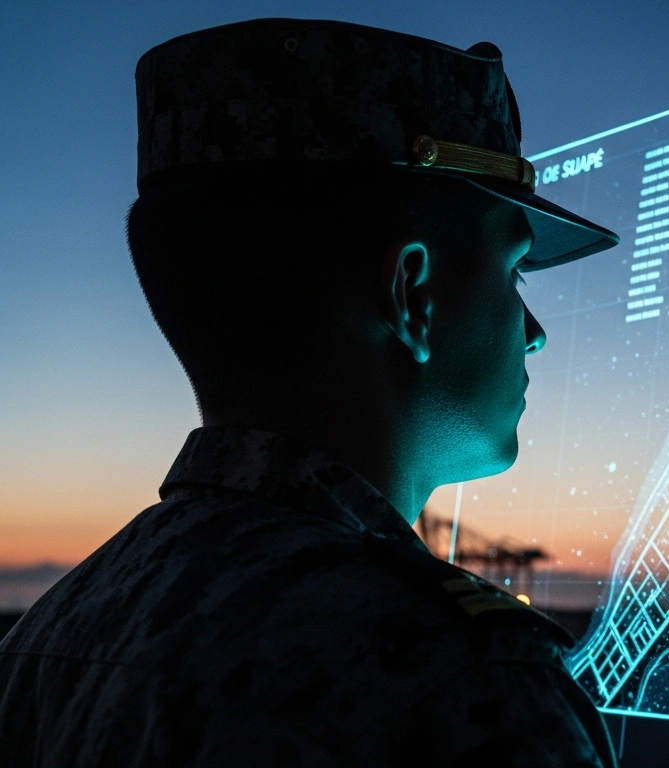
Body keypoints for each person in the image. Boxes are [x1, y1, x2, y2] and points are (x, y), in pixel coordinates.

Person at [0, 18, 618, 766]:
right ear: (412, 295)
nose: (534, 331)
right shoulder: (461, 684)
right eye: (513, 274)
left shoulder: (52, 638)